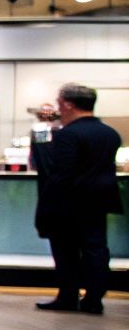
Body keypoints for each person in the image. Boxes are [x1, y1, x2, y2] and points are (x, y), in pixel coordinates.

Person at [32, 83, 122, 314]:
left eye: (60, 102)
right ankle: (94, 298)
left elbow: (59, 172)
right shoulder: (109, 133)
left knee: (66, 251)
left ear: (69, 104)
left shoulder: (68, 135)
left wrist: (48, 204)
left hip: (68, 202)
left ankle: (68, 295)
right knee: (96, 248)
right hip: (99, 200)